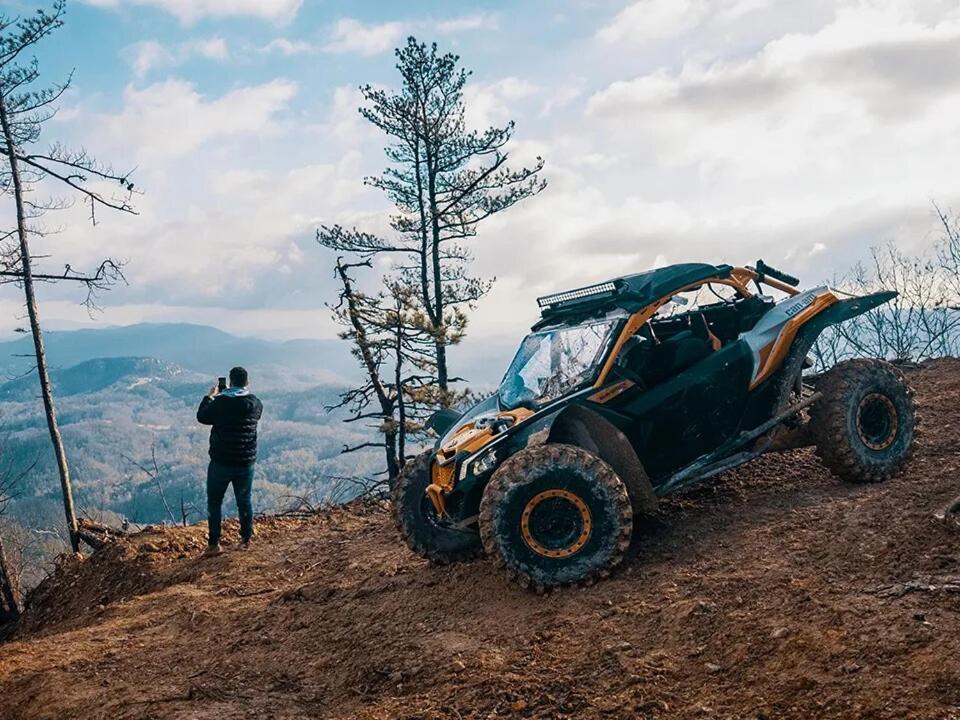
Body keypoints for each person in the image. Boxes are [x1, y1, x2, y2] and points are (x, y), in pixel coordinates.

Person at [196, 366, 263, 557]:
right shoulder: (256, 404)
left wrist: (210, 396)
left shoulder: (220, 403)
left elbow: (202, 417)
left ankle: (214, 544)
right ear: (247, 382)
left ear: (231, 382)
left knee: (215, 502)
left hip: (221, 462)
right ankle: (245, 540)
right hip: (245, 462)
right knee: (244, 501)